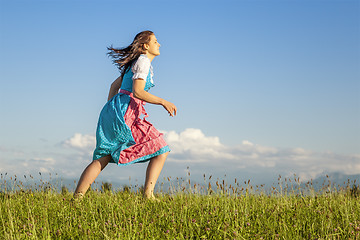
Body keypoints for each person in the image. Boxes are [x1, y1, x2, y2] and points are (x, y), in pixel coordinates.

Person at [73, 30, 177, 200]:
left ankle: (77, 198)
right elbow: (138, 92)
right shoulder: (142, 62)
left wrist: (111, 109)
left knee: (104, 156)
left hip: (116, 111)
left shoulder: (136, 63)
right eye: (155, 41)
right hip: (125, 113)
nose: (159, 44)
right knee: (161, 148)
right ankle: (148, 195)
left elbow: (114, 86)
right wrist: (163, 102)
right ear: (145, 46)